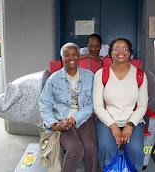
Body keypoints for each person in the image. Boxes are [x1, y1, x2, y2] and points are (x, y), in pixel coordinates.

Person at [38, 42, 98, 172]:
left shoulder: (89, 76)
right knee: (75, 149)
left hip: (84, 118)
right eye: (67, 55)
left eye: (74, 54)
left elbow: (92, 104)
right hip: (61, 119)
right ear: (62, 58)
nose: (71, 58)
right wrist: (53, 124)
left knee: (91, 147)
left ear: (79, 56)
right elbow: (45, 103)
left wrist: (74, 119)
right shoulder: (54, 79)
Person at [93, 38, 148, 172]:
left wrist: (130, 125)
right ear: (111, 53)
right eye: (116, 48)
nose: (120, 52)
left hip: (133, 121)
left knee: (136, 148)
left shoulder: (140, 75)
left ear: (130, 53)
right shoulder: (101, 74)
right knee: (106, 146)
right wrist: (113, 126)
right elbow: (98, 106)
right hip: (108, 120)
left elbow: (142, 106)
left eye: (124, 49)